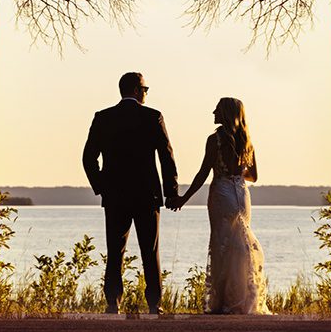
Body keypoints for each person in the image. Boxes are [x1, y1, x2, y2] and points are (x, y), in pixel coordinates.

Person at [82, 70, 181, 315]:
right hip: (147, 194)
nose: (146, 93)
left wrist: (102, 186)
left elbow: (88, 158)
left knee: (115, 251)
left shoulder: (103, 118)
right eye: (145, 89)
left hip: (115, 195)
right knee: (150, 250)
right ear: (137, 91)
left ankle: (113, 302)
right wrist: (171, 191)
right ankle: (154, 303)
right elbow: (166, 157)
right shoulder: (153, 117)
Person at [176, 96, 269, 315]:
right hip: (241, 193)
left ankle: (224, 300)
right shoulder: (247, 141)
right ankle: (243, 298)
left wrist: (183, 198)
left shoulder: (215, 140)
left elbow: (202, 173)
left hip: (222, 192)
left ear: (225, 113)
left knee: (222, 243)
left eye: (217, 109)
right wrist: (238, 173)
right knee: (240, 242)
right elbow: (253, 176)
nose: (213, 113)